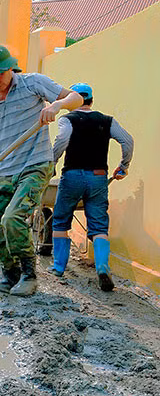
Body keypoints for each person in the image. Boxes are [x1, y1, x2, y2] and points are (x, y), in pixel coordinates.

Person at [0, 45, 83, 297]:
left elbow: (76, 98)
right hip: (5, 170)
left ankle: (29, 275)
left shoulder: (33, 84)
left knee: (13, 218)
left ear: (11, 68)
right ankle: (10, 273)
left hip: (35, 165)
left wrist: (57, 105)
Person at [49, 83, 133, 292]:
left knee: (60, 220)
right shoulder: (106, 120)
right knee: (98, 225)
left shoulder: (67, 119)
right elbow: (127, 141)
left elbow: (63, 139)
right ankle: (102, 266)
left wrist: (51, 163)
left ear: (73, 101)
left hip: (72, 177)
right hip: (98, 178)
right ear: (91, 100)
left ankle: (58, 267)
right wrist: (123, 166)